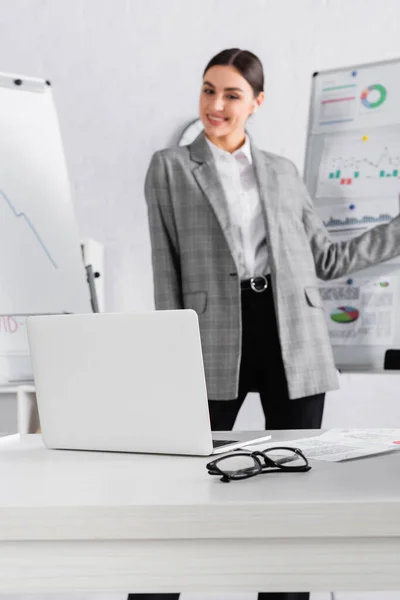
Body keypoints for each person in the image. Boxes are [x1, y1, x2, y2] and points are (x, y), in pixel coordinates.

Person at [129, 48, 400, 600]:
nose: (216, 105)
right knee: (184, 482)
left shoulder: (281, 170)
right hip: (210, 334)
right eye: (209, 90)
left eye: (231, 94)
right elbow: (166, 267)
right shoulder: (171, 167)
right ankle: (158, 588)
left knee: (296, 483)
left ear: (256, 102)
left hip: (291, 335)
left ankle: (286, 593)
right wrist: (168, 357)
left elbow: (326, 260)